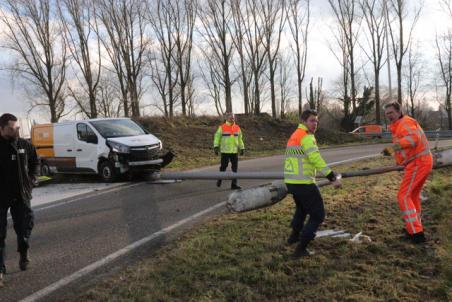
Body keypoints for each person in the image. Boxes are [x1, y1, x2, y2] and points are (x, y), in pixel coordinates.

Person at [284, 109, 341, 258]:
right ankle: (301, 249)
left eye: (316, 121)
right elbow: (316, 159)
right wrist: (331, 177)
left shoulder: (294, 135)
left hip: (292, 182)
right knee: (318, 215)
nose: (315, 124)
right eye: (312, 120)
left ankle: (294, 237)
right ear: (303, 121)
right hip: (304, 182)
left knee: (302, 210)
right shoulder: (307, 137)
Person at [382, 102, 432, 244]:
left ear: (398, 111)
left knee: (403, 196)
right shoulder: (398, 126)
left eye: (391, 113)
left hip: (418, 163)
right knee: (413, 196)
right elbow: (405, 148)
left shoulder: (405, 122)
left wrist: (393, 148)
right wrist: (396, 158)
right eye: (387, 114)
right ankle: (415, 229)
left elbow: (413, 139)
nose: (389, 116)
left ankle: (416, 233)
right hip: (418, 163)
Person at [0, 113, 39, 287]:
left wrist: (32, 180)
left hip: (21, 194)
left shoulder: (24, 145)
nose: (15, 130)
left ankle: (23, 252)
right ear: (1, 128)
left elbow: (35, 162)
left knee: (24, 227)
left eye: (17, 127)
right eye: (11, 128)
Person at [213, 112, 245, 190]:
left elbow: (240, 139)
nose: (232, 119)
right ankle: (220, 179)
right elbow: (217, 137)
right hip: (225, 151)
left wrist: (242, 148)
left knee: (235, 168)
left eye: (233, 118)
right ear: (227, 118)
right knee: (223, 167)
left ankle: (234, 184)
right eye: (230, 118)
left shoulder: (237, 127)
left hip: (234, 151)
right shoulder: (222, 127)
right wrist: (216, 147)